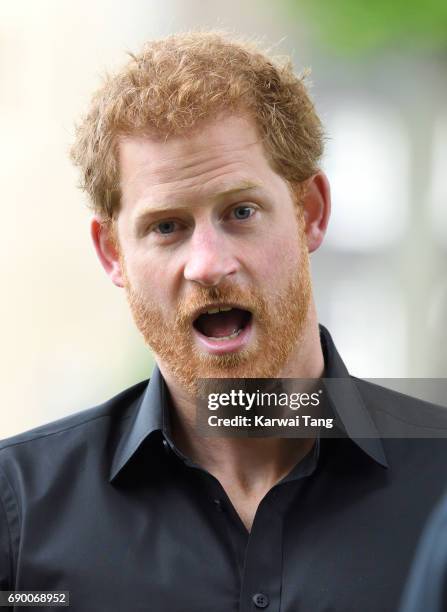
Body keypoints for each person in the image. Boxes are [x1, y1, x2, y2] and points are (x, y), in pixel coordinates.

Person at [1, 31, 447, 612]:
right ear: (112, 253)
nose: (208, 265)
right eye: (166, 227)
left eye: (240, 212)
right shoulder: (19, 511)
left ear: (310, 212)